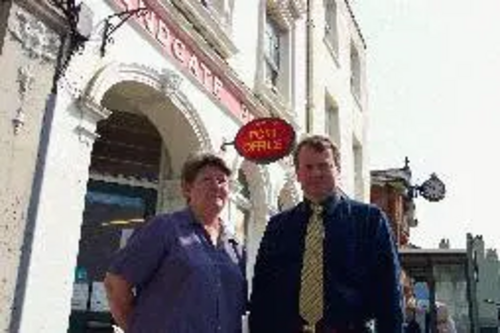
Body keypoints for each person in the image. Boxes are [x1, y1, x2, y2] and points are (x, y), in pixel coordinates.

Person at [248, 134, 403, 333]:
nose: (316, 173)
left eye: (324, 166)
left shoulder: (369, 220)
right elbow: (262, 295)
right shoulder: (278, 226)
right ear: (297, 174)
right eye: (309, 167)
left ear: (337, 171)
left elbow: (389, 293)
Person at [104, 152, 246, 333]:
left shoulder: (234, 246)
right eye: (206, 180)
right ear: (187, 189)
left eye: (222, 180)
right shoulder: (164, 228)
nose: (216, 186)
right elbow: (115, 285)